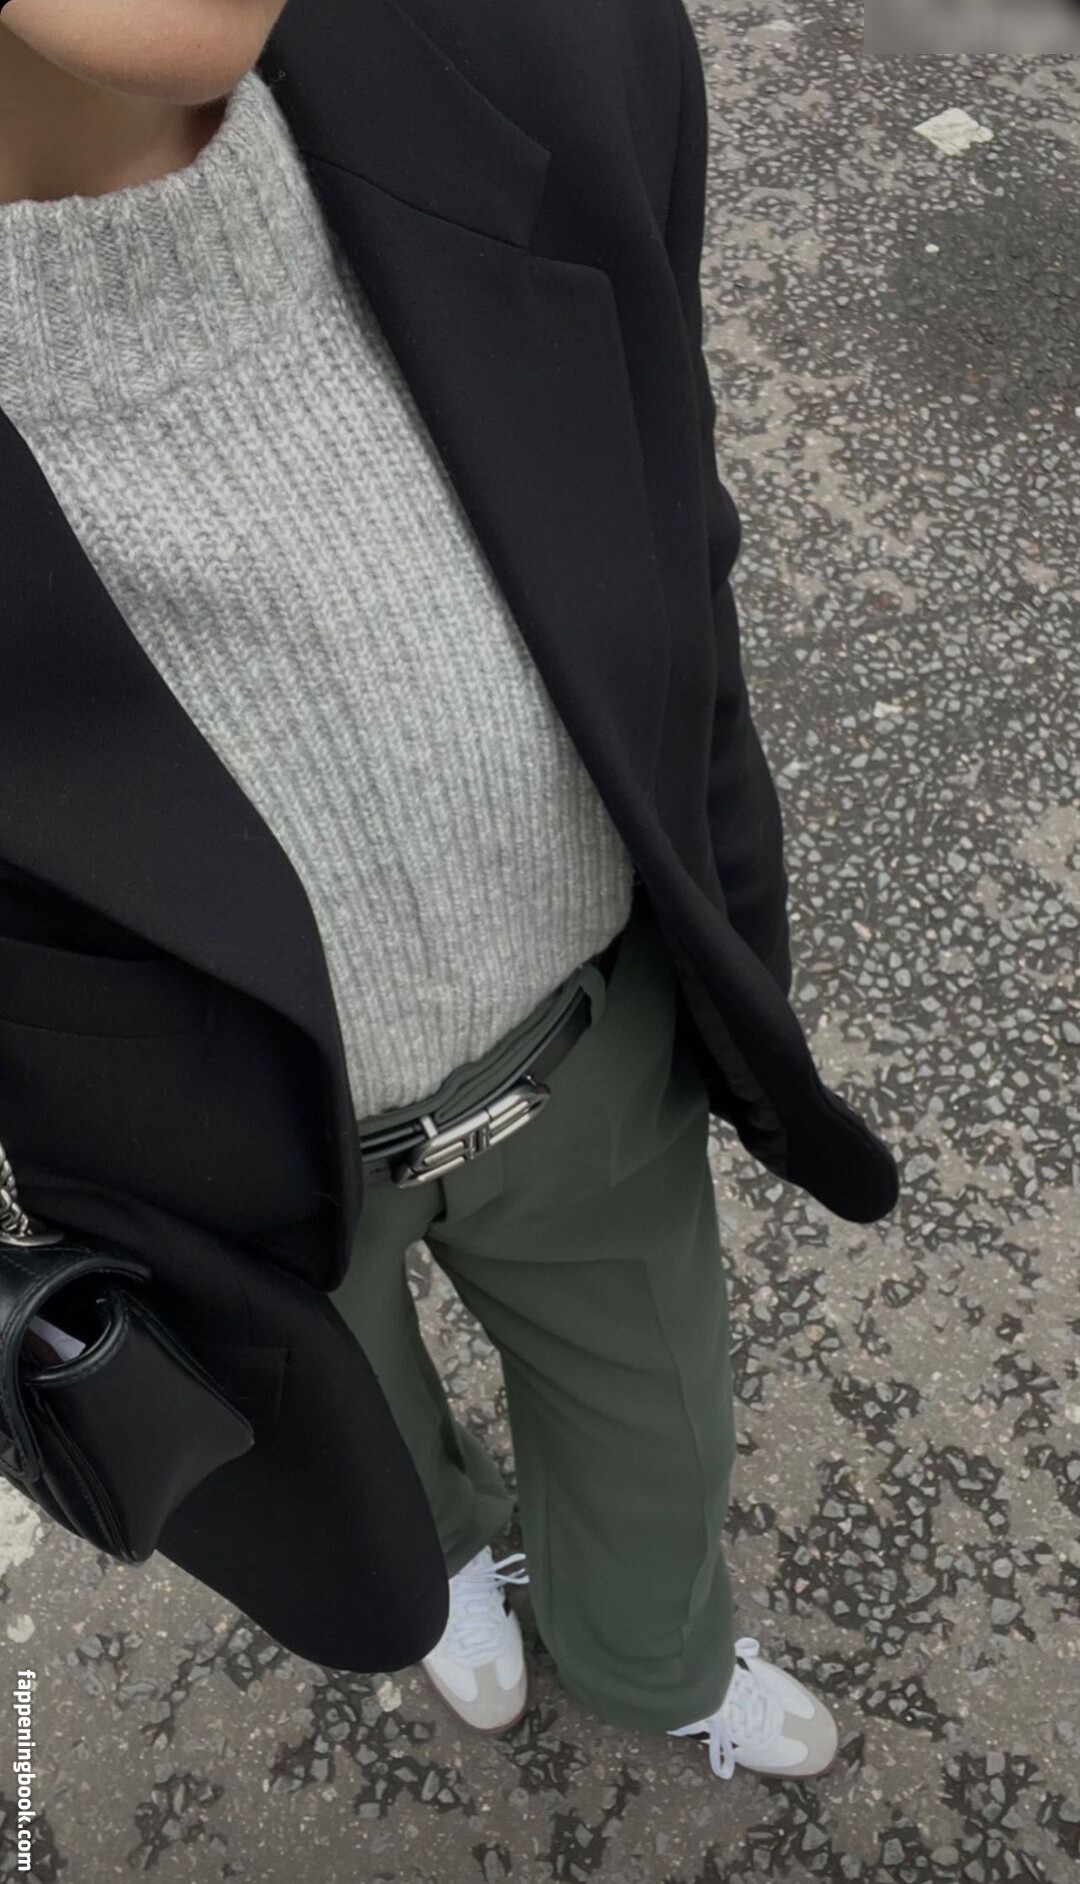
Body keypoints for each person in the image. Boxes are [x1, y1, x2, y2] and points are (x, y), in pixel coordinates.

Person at [0, 0, 896, 1785]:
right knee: (365, 1456)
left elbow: (671, 541)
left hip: (588, 1041)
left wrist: (733, 942)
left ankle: (657, 1657)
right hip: (213, 1182)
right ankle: (444, 1569)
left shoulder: (550, 42)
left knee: (658, 1420)